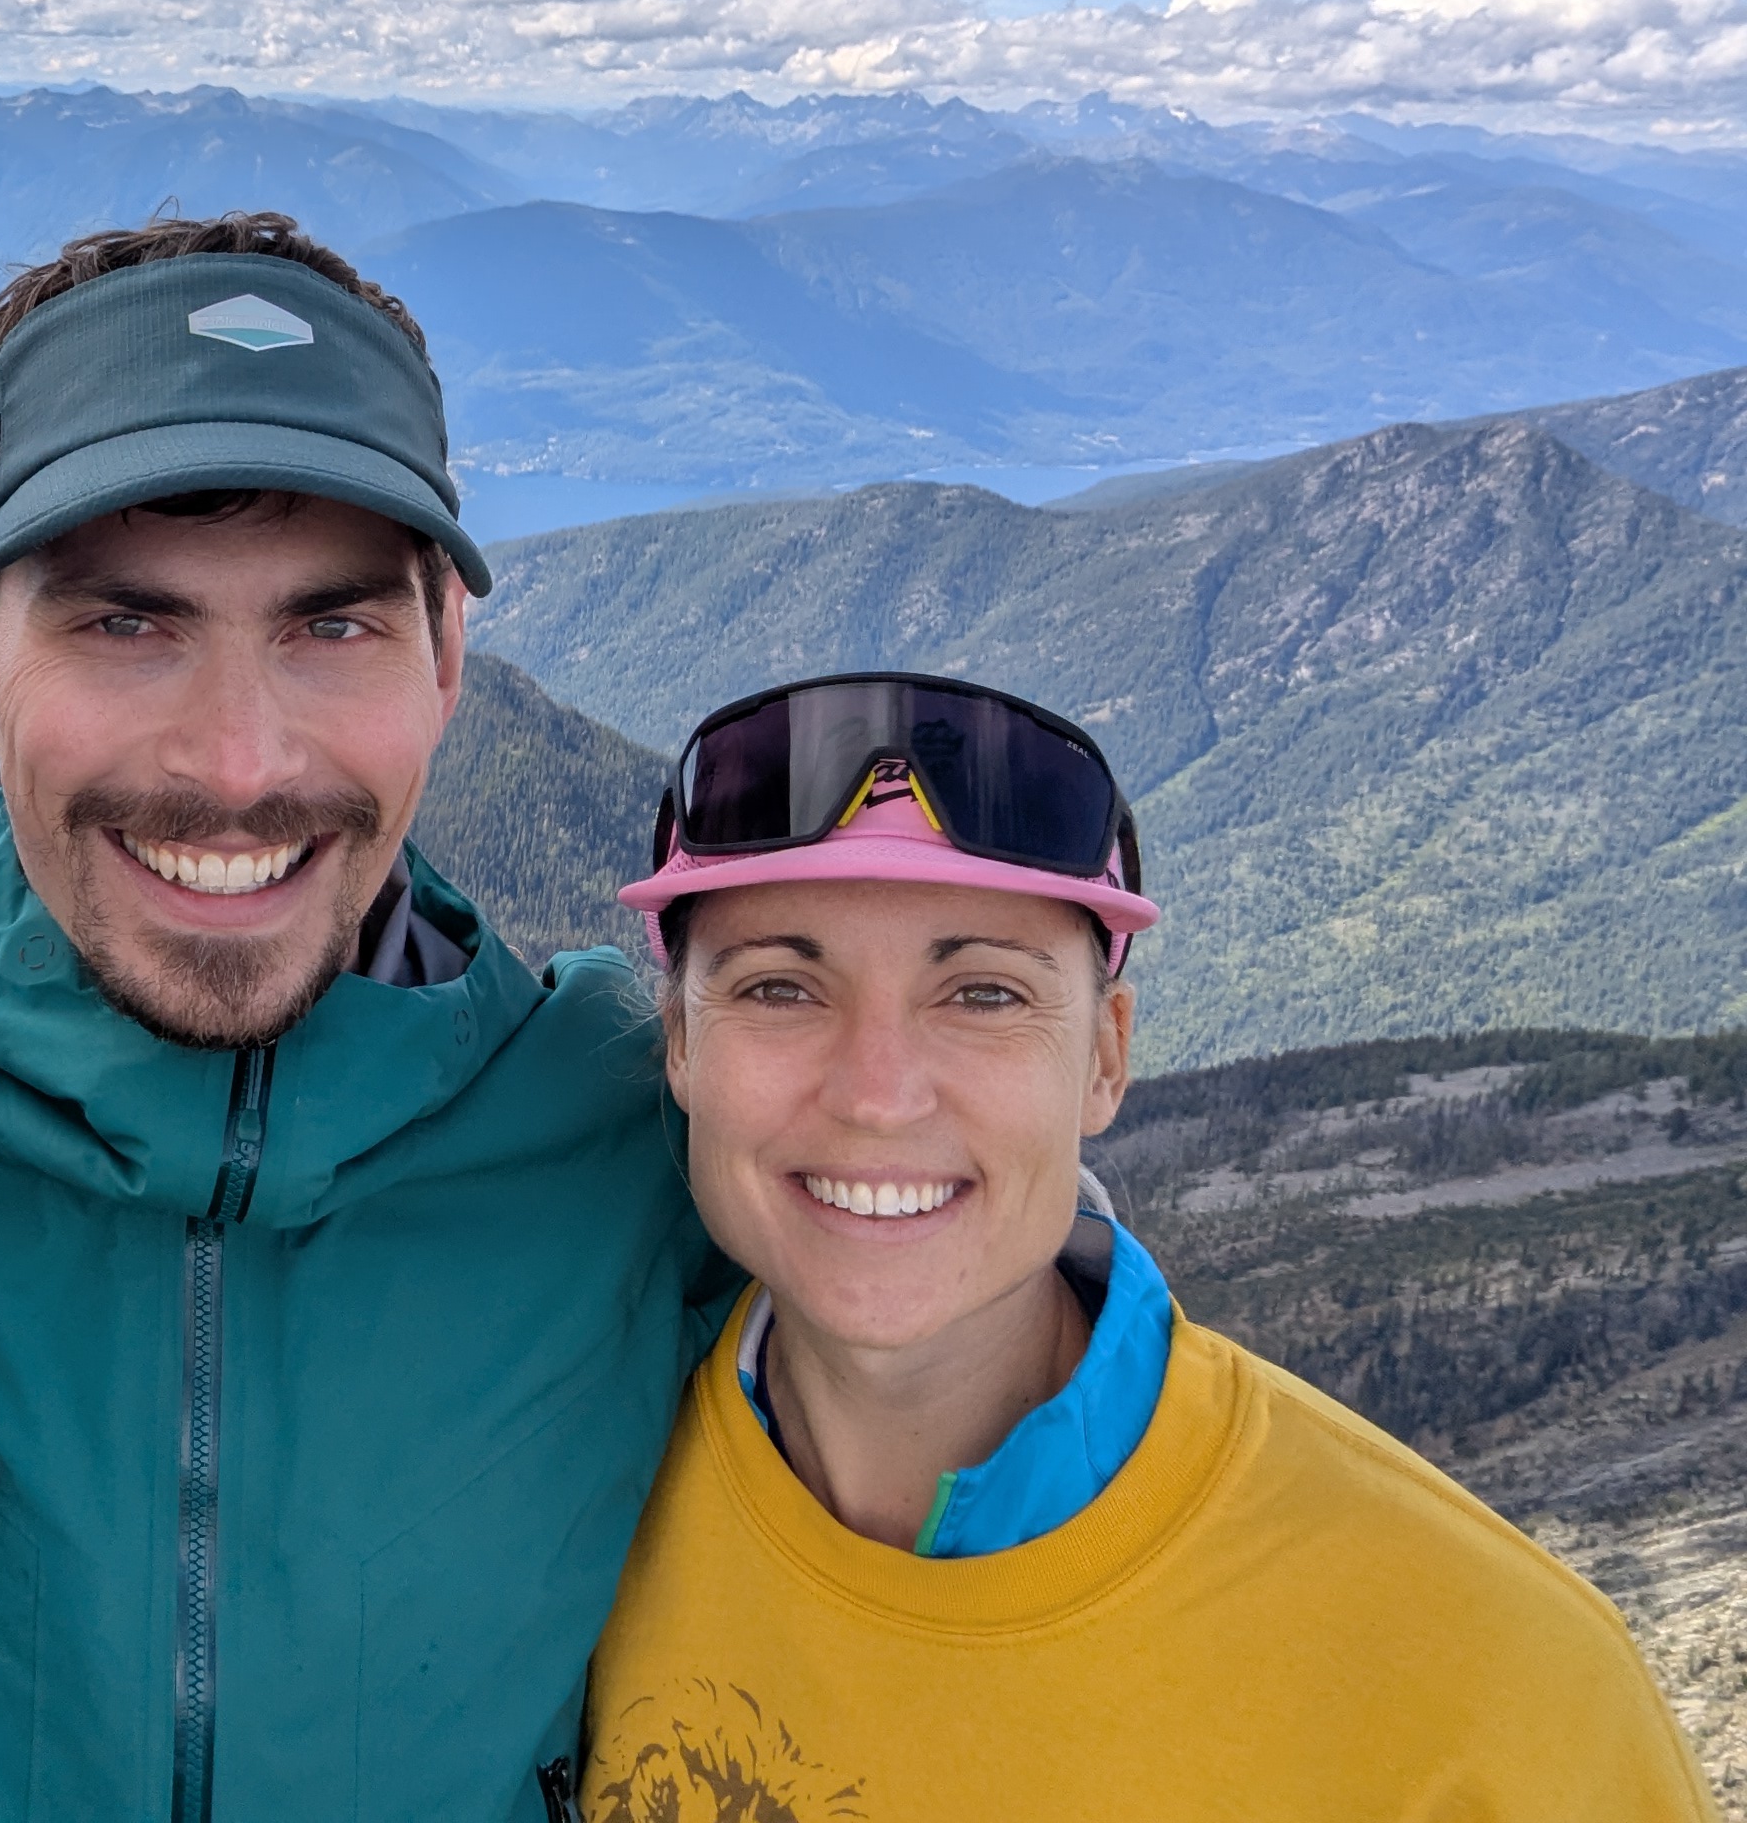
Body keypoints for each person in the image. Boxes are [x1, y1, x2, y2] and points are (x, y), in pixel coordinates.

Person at [0, 215, 729, 1823]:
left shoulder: (657, 1132)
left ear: (448, 656)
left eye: (332, 625)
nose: (238, 763)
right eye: (128, 622)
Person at [583, 668, 1712, 1821]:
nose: (879, 1094)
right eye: (781, 986)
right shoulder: (564, 1490)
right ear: (680, 1041)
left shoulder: (1504, 1693)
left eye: (983, 995)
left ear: (1107, 1057)